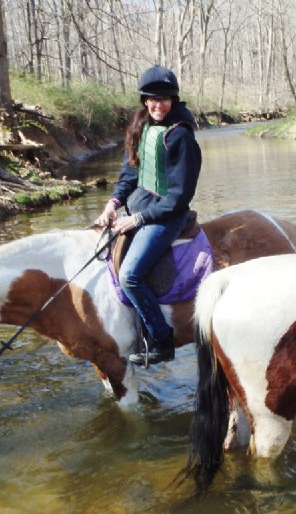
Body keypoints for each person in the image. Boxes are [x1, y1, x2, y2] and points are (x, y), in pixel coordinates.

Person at [95, 65, 201, 366]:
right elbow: (129, 175)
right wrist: (112, 205)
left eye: (165, 99)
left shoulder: (182, 137)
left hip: (168, 216)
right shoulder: (141, 128)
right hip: (138, 209)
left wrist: (138, 220)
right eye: (152, 99)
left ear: (174, 100)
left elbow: (180, 197)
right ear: (144, 100)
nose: (158, 105)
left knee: (129, 276)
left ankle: (162, 337)